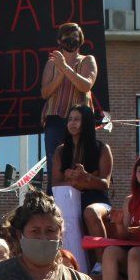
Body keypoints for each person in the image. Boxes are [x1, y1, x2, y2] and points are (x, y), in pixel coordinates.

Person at [40, 22, 97, 180]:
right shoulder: (51, 63)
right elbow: (45, 93)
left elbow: (86, 85)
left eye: (75, 36)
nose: (71, 40)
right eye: (67, 36)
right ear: (60, 40)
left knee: (80, 163)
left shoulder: (87, 60)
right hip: (55, 120)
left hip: (81, 121)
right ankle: (55, 193)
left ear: (81, 40)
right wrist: (59, 74)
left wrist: (65, 67)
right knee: (55, 166)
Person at [50, 104, 113, 243]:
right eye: (70, 119)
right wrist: (73, 183)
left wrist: (87, 177)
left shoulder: (102, 149)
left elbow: (105, 184)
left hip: (97, 201)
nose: (72, 123)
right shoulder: (60, 151)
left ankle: (103, 257)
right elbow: (55, 183)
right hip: (68, 201)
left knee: (91, 212)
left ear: (87, 122)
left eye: (77, 119)